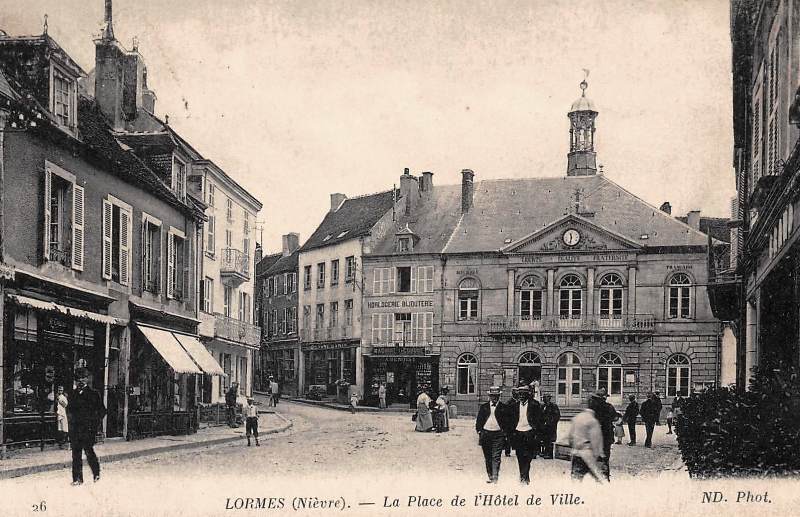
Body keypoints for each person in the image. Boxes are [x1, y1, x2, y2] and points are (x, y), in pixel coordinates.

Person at [67, 368, 106, 485]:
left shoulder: (94, 394)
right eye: (78, 378)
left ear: (87, 379)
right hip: (75, 429)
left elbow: (102, 411)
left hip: (88, 429)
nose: (81, 381)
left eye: (83, 378)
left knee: (89, 452)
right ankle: (77, 479)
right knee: (76, 454)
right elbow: (70, 411)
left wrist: (94, 424)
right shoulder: (72, 394)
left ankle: (96, 473)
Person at [505, 384, 542, 485]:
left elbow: (539, 421)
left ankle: (524, 475)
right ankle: (523, 476)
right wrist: (511, 434)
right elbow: (510, 421)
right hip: (518, 433)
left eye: (523, 394)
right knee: (520, 456)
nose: (521, 396)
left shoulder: (535, 405)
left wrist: (536, 433)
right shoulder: (514, 406)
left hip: (530, 433)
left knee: (529, 457)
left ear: (528, 395)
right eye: (519, 394)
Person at [567, 397, 607, 484]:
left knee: (576, 481)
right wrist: (600, 459)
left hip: (576, 454)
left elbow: (570, 438)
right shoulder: (593, 421)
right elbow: (595, 443)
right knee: (601, 481)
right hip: (588, 454)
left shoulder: (577, 418)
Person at [475, 386, 507, 483]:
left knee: (496, 456)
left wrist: (504, 433)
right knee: (488, 456)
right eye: (492, 396)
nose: (494, 398)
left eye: (496, 396)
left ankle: (495, 477)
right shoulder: (484, 407)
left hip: (498, 435)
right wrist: (480, 431)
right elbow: (479, 421)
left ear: (499, 396)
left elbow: (507, 421)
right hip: (486, 434)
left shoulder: (503, 407)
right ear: (489, 396)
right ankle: (490, 475)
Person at [593, 388, 615, 480]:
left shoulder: (593, 408)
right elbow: (614, 417)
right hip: (606, 435)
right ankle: (605, 477)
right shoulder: (609, 407)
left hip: (595, 436)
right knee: (605, 456)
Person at [540, 393, 560, 459]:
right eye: (543, 397)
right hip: (544, 427)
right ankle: (544, 452)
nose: (543, 399)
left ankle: (549, 454)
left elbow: (557, 416)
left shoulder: (554, 406)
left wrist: (551, 423)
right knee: (545, 440)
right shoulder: (542, 406)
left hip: (551, 427)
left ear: (549, 398)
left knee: (550, 440)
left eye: (545, 397)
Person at [504, 387, 518, 457]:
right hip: (510, 423)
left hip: (517, 422)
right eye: (515, 393)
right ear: (513, 394)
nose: (517, 395)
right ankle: (507, 452)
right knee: (509, 438)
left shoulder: (519, 402)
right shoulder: (509, 402)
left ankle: (517, 450)